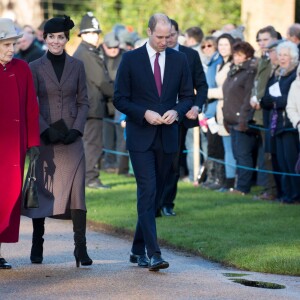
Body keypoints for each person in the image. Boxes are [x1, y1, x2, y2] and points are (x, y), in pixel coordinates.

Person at [114, 13, 193, 271]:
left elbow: (186, 96)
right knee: (147, 190)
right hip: (141, 136)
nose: (164, 41)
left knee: (155, 196)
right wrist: (143, 113)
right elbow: (120, 99)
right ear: (148, 32)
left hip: (168, 136)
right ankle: (153, 253)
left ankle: (137, 249)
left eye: (168, 36)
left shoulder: (180, 59)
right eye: (159, 37)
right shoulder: (131, 59)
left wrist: (178, 112)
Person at [21, 16, 92, 267]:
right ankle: (37, 242)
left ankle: (80, 248)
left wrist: (77, 129)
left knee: (77, 194)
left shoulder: (78, 66)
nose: (56, 41)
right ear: (45, 38)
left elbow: (84, 101)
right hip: (46, 139)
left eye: (60, 37)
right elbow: (30, 103)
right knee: (43, 190)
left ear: (66, 39)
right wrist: (44, 129)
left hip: (72, 140)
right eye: (51, 37)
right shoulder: (34, 66)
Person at [0, 18, 40, 269]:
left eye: (13, 43)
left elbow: (31, 109)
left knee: (8, 200)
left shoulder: (22, 68)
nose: (11, 49)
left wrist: (33, 143)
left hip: (14, 148)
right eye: (6, 44)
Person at [159, 18, 207, 216]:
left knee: (173, 161)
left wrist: (196, 106)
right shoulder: (154, 55)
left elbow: (202, 85)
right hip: (156, 115)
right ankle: (153, 201)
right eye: (164, 36)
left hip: (180, 115)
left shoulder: (190, 55)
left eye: (171, 35)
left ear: (178, 34)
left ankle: (167, 203)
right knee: (155, 161)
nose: (168, 39)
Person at [73, 12, 112, 189]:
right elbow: (101, 81)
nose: (96, 36)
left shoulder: (85, 51)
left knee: (89, 143)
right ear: (84, 34)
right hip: (92, 106)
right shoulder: (86, 53)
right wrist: (117, 95)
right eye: (92, 33)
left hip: (87, 105)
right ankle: (91, 178)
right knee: (93, 144)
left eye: (97, 33)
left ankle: (88, 177)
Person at [261, 41, 300, 203]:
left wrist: (276, 100)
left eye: (286, 55)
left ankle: (295, 195)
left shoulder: (293, 76)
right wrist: (275, 100)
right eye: (281, 55)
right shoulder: (278, 73)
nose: (282, 58)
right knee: (282, 163)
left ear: (293, 57)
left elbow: (287, 100)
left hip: (289, 126)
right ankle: (286, 194)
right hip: (277, 125)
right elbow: (266, 99)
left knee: (291, 163)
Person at [223, 41, 258, 195]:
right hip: (231, 119)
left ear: (247, 55)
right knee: (237, 154)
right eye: (235, 55)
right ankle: (239, 185)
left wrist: (243, 119)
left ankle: (243, 187)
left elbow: (247, 97)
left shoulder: (249, 71)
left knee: (243, 155)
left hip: (242, 120)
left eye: (240, 55)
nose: (236, 58)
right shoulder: (233, 70)